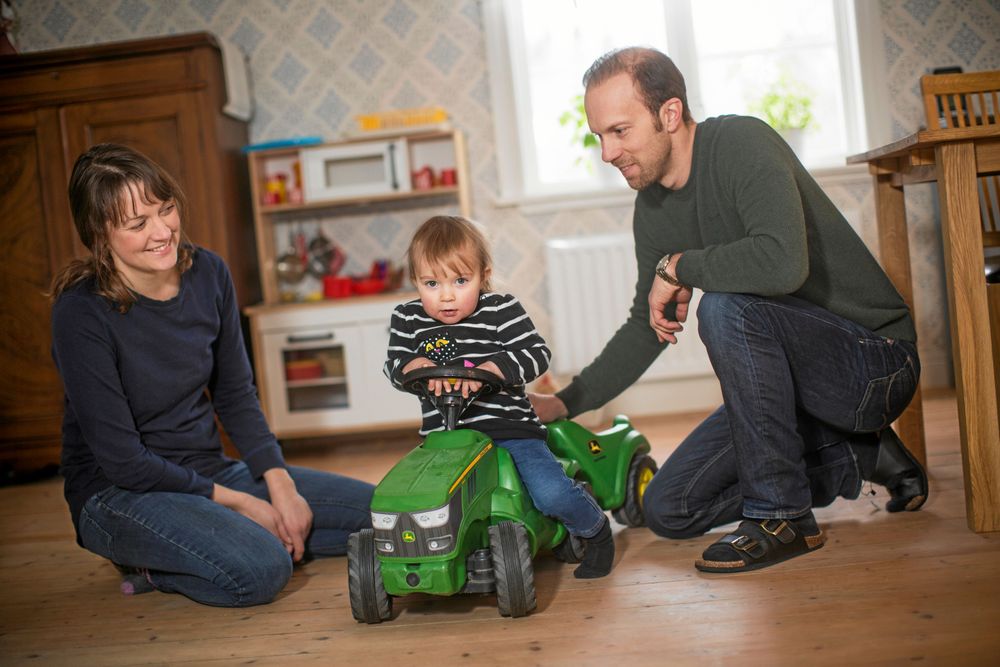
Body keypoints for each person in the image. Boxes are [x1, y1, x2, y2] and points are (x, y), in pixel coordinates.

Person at [530, 47, 928, 573]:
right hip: (796, 385)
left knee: (724, 308)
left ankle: (781, 517)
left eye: (619, 131)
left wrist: (677, 265)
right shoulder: (651, 206)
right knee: (668, 508)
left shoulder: (741, 142)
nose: (606, 152)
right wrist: (567, 402)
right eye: (599, 135)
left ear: (669, 114)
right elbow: (646, 327)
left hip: (873, 363)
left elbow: (782, 264)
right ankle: (859, 456)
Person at [49, 143, 374, 606]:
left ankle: (223, 536)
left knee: (385, 515)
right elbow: (123, 461)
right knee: (261, 569)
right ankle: (151, 565)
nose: (163, 231)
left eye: (166, 209)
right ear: (100, 234)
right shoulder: (81, 313)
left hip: (208, 472)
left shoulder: (209, 273)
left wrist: (280, 486)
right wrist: (242, 503)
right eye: (138, 224)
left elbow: (236, 394)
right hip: (118, 495)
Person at [383, 215, 615, 578]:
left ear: (483, 274)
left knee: (550, 493)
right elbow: (393, 365)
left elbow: (537, 353)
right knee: (428, 503)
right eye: (431, 283)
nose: (446, 295)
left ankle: (596, 530)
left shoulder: (500, 310)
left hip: (510, 432)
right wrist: (413, 364)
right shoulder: (408, 318)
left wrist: (495, 369)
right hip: (446, 442)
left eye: (461, 281)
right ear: (415, 281)